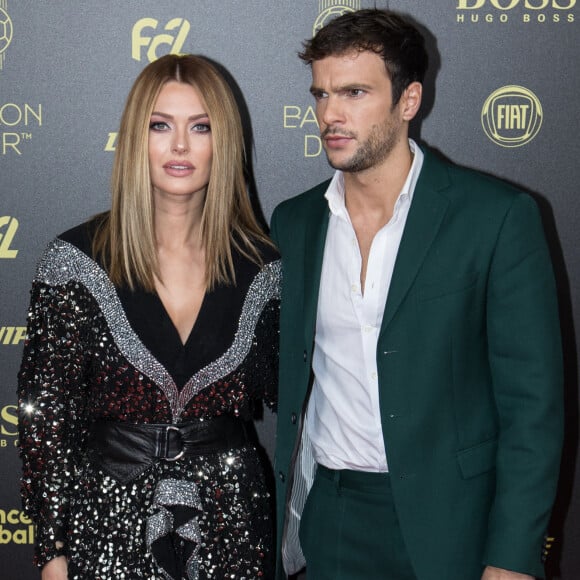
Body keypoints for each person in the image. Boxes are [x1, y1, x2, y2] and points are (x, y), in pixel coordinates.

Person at [270, 9, 563, 580]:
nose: (330, 113)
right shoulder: (295, 223)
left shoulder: (496, 218)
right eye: (321, 94)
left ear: (409, 101)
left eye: (354, 92)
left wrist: (512, 556)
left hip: (453, 520)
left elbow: (534, 407)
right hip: (332, 513)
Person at [18, 54, 280, 580]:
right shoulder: (76, 262)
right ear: (137, 139)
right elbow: (46, 418)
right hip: (105, 524)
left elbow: (299, 401)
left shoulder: (266, 270)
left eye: (200, 127)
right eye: (161, 125)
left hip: (234, 526)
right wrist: (51, 551)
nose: (179, 145)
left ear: (223, 142)